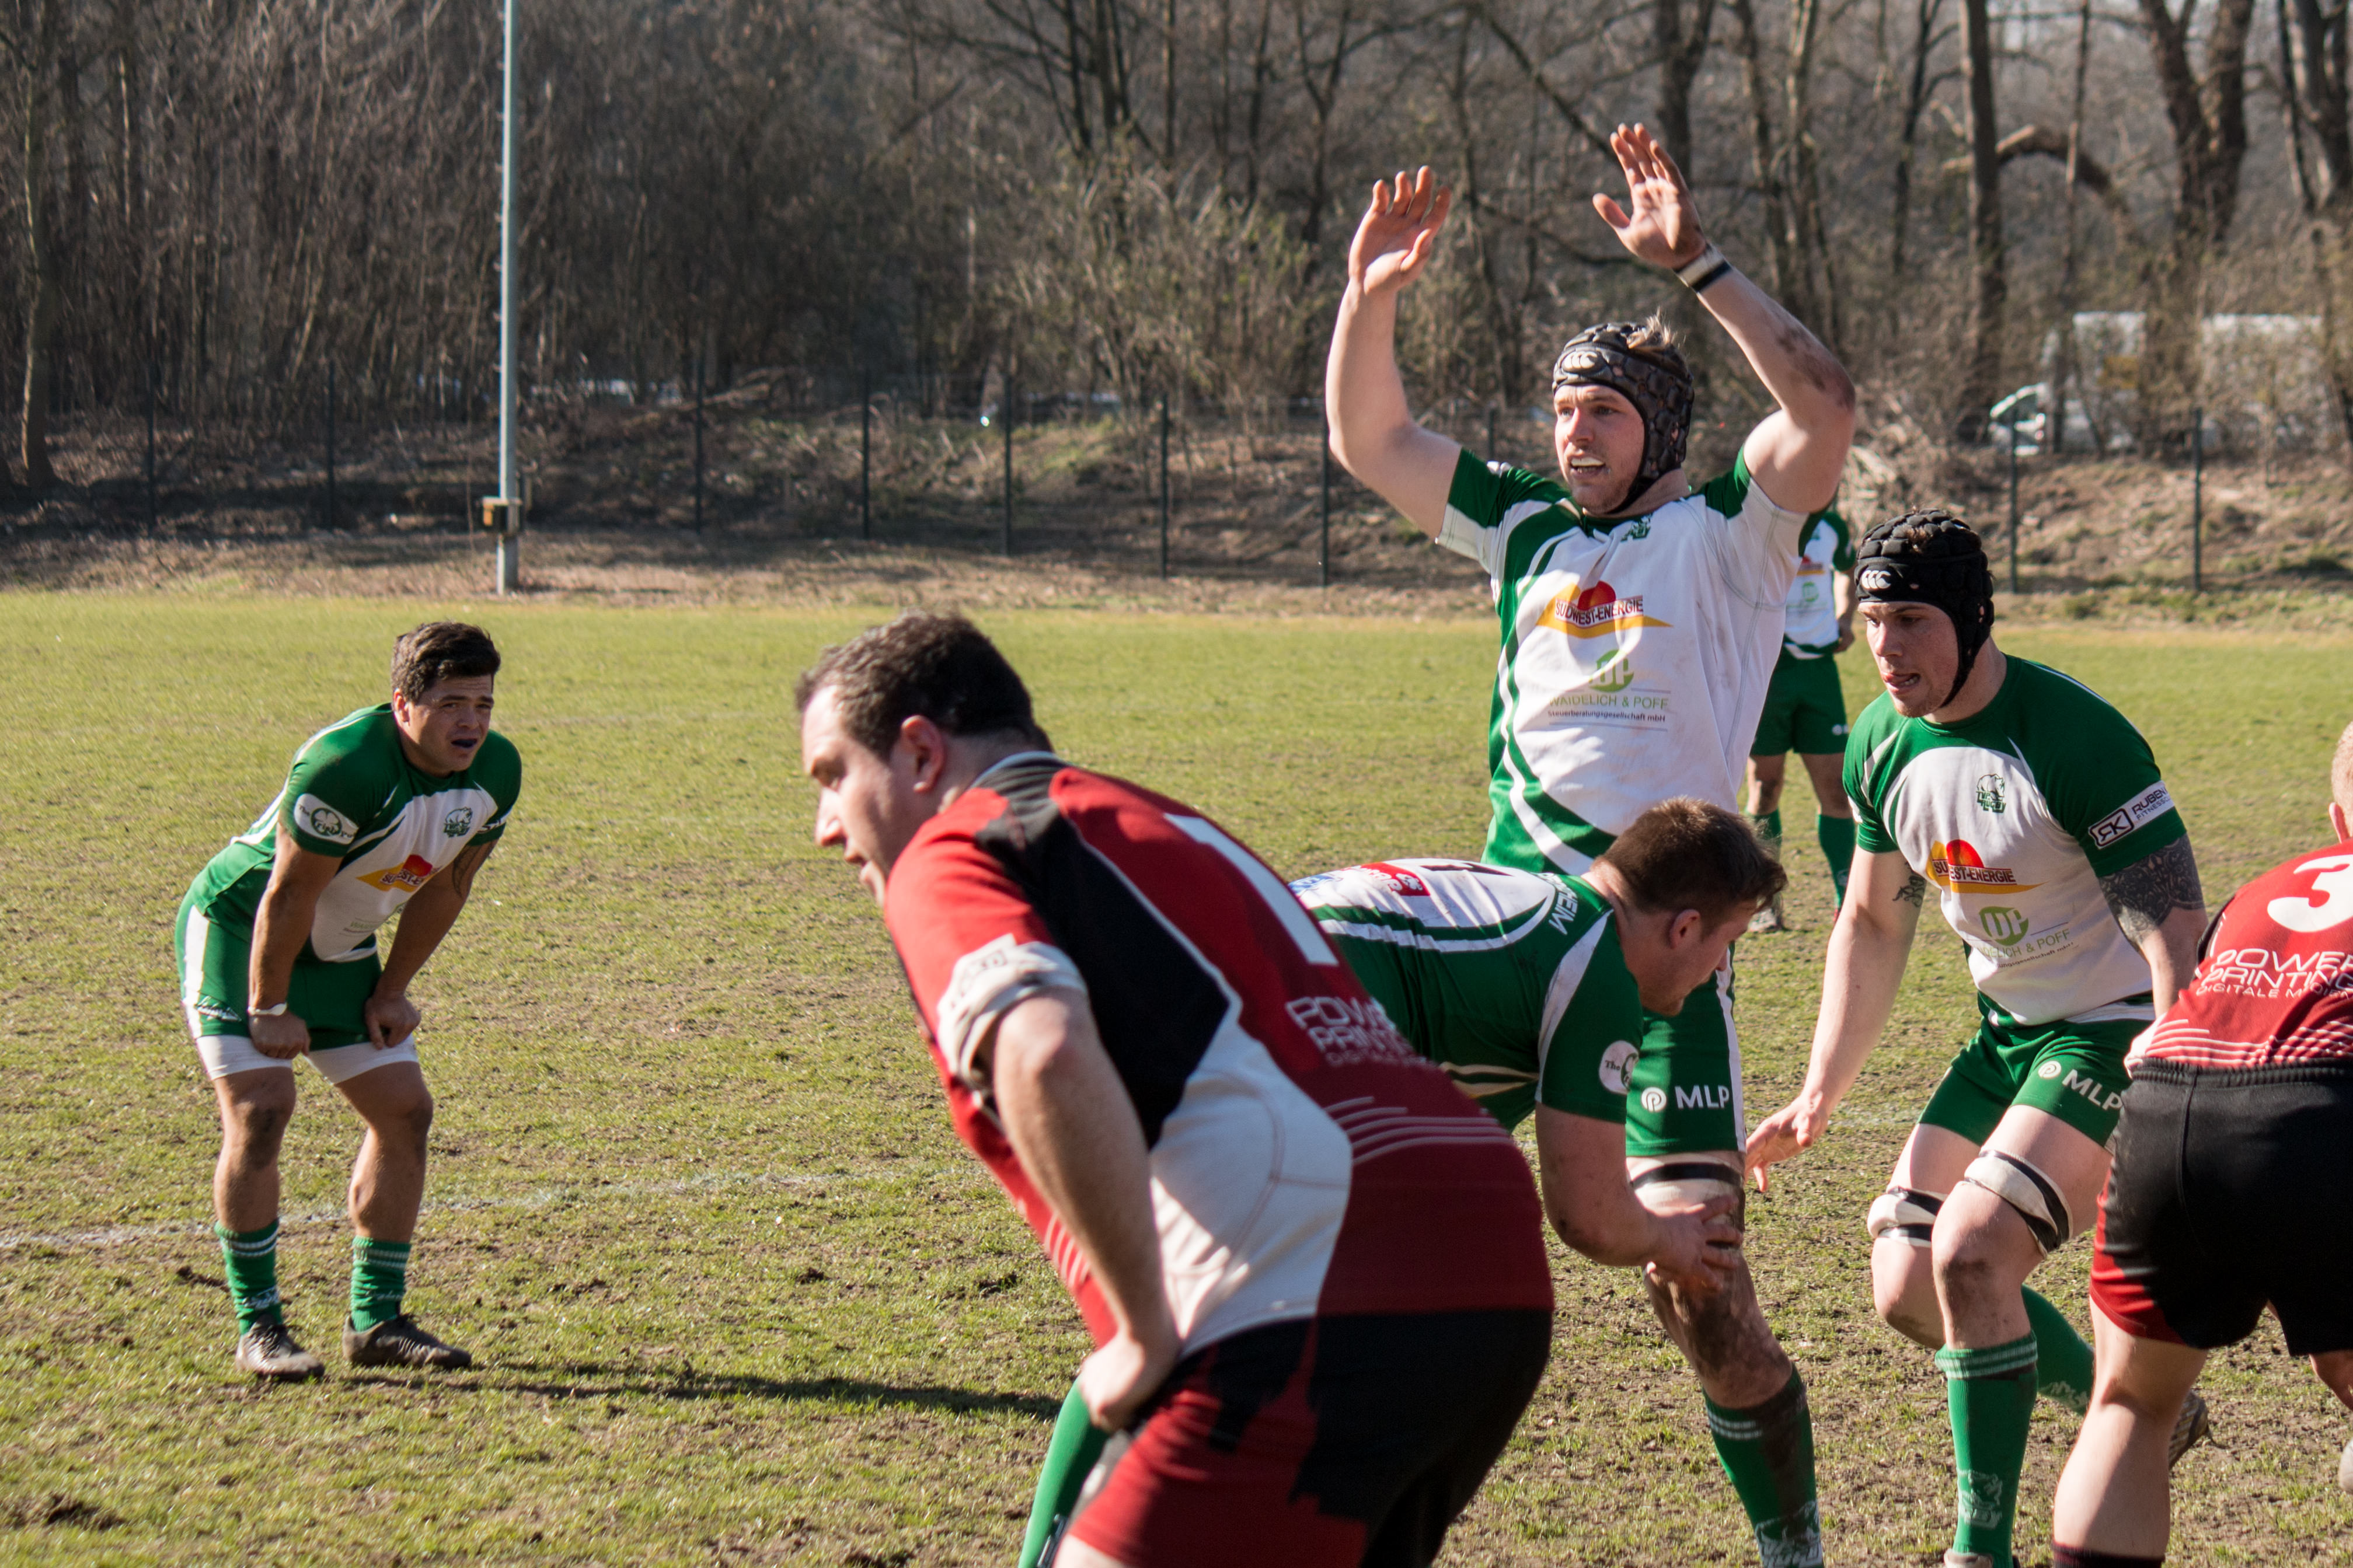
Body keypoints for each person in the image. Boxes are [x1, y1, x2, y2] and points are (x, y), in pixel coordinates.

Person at [1325, 123, 1856, 1568]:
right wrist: (1368, 296)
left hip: (1661, 964)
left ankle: (1792, 1547)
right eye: (1562, 410)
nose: (1572, 433)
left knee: (1701, 1292)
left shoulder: (1732, 537)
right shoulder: (1518, 528)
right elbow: (1369, 440)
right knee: (1377, 1250)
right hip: (1509, 949)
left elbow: (1820, 403)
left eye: (1603, 413)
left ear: (1659, 432)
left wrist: (1698, 264)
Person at [796, 610, 1556, 1568]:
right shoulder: (1164, 819)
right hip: (1489, 1259)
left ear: (918, 752)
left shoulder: (952, 850)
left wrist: (1139, 1331)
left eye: (833, 775)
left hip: (1308, 1282)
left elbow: (1043, 1051)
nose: (825, 827)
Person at [1019, 801, 1776, 1567]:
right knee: (1375, 1334)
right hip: (1241, 1026)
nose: (1718, 970)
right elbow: (1587, 1214)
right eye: (1727, 944)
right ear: (1684, 927)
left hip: (1177, 986)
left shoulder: (1532, 913)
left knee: (1191, 1319)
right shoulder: (1596, 968)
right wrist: (1671, 1236)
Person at [1745, 511, 2211, 1568]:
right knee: (1907, 1279)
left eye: (1911, 618)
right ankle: (2137, 1407)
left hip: (2111, 1034)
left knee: (1969, 1249)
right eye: (1872, 619)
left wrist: (2173, 1077)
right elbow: (1871, 922)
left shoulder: (2074, 736)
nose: (1885, 646)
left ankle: (1976, 1550)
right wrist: (1818, 1092)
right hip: (2007, 1036)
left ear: (1972, 617)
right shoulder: (1879, 742)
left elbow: (2174, 928)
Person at [2045, 724, 2353, 1567]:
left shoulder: (2261, 890)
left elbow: (2158, 1040)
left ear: (2337, 821)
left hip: (2168, 1112)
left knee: (2128, 1405)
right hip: (2323, 1108)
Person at [176, 621, 518, 1379]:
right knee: (262, 1107)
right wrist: (269, 1006)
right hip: (243, 930)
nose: (470, 721)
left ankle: (376, 1319)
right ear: (402, 704)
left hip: (339, 947)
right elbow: (289, 891)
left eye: (483, 704)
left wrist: (392, 988)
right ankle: (260, 1327)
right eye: (451, 703)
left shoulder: (497, 770)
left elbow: (449, 884)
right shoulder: (345, 763)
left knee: (405, 1109)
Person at [1745, 505, 1857, 933]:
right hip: (1767, 672)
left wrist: (1845, 618)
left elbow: (1849, 569)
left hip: (1818, 675)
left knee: (1835, 790)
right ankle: (1763, 900)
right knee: (1765, 787)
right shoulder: (1756, 519)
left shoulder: (1831, 526)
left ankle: (1847, 901)